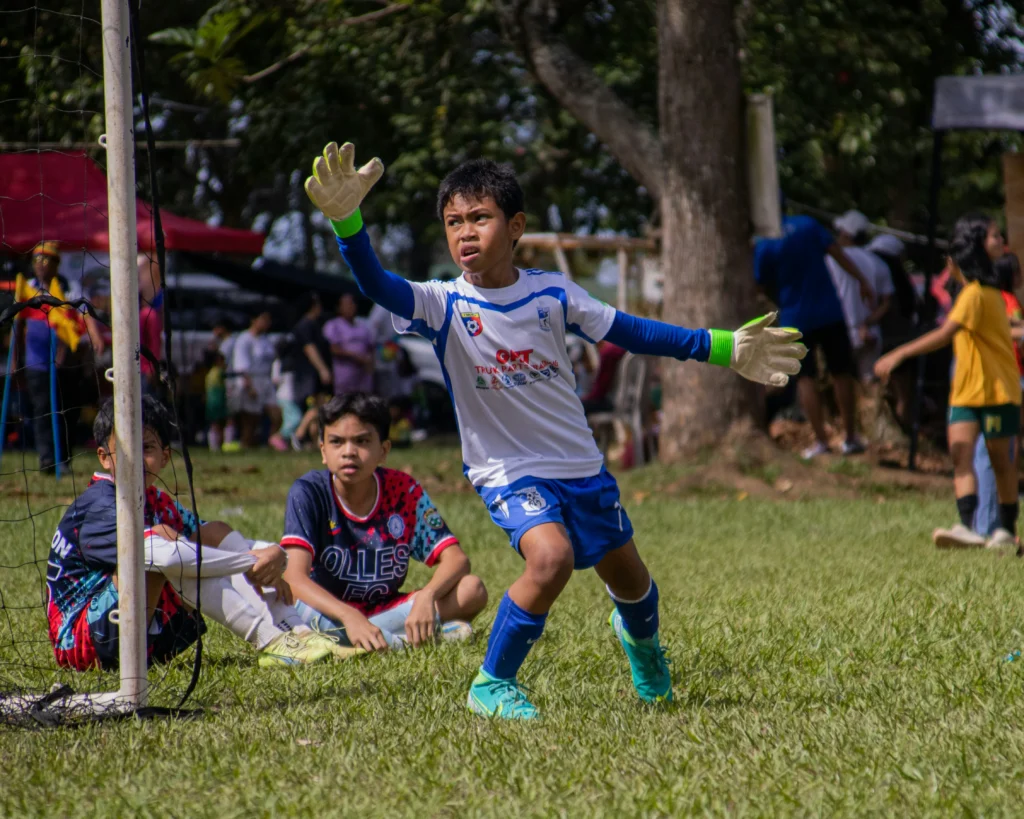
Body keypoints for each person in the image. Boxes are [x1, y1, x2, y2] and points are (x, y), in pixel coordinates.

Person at [304, 141, 804, 718]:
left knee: (635, 588)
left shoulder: (553, 293)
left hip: (581, 468)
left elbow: (634, 331)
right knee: (550, 559)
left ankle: (641, 647)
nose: (465, 233)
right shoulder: (441, 304)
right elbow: (376, 284)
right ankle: (492, 684)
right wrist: (348, 223)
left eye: (480, 218)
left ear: (515, 226)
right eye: (453, 222)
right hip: (507, 472)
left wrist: (721, 346)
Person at [45, 396, 355, 671]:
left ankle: (297, 633)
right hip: (86, 645)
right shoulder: (99, 504)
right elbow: (166, 555)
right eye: (125, 449)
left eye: (147, 448)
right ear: (104, 456)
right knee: (167, 551)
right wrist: (249, 563)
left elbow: (207, 541)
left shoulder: (156, 500)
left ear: (165, 457)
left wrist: (273, 554)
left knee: (211, 532)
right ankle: (271, 640)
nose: (137, 459)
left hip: (140, 632)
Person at [281, 393, 487, 650]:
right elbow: (293, 578)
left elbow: (456, 559)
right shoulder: (309, 492)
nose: (348, 452)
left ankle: (355, 644)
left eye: (362, 441)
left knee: (472, 589)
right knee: (278, 601)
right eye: (336, 442)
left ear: (383, 450)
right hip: (326, 613)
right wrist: (348, 616)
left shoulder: (403, 490)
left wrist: (427, 595)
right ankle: (404, 642)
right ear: (323, 451)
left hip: (387, 609)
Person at [876, 213, 1021, 550]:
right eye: (995, 236)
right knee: (961, 455)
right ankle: (968, 526)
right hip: (965, 391)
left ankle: (1005, 530)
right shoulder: (973, 293)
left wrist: (898, 354)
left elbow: (944, 334)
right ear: (977, 246)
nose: (1001, 242)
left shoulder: (982, 294)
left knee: (1001, 463)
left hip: (997, 389)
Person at [754, 215, 874, 459]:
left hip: (794, 316)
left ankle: (821, 442)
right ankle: (850, 438)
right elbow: (838, 254)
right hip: (829, 312)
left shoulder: (765, 241)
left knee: (804, 378)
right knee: (841, 372)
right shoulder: (808, 225)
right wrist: (861, 280)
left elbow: (759, 283)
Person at [972, 252, 1024, 537]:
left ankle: (998, 521)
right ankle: (991, 523)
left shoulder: (999, 299)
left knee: (1004, 449)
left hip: (1008, 380)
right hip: (1003, 381)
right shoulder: (999, 299)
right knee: (997, 451)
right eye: (1018, 271)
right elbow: (1006, 330)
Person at [18, 241, 79, 472]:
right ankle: (46, 458)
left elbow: (75, 321)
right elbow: (19, 324)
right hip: (36, 361)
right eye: (37, 260)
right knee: (41, 409)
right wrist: (17, 360)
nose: (41, 265)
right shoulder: (26, 289)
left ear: (56, 263)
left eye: (47, 260)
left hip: (64, 362)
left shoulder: (68, 287)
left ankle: (63, 459)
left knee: (65, 410)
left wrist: (64, 352)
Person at [829, 211, 894, 383]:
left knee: (840, 384)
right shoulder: (877, 262)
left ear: (846, 233)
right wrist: (868, 322)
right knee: (870, 386)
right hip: (870, 332)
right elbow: (887, 302)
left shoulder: (831, 260)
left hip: (843, 331)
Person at [227, 311, 280, 448]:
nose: (267, 323)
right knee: (251, 420)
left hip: (266, 380)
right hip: (251, 380)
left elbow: (274, 360)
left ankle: (272, 442)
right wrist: (249, 386)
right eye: (263, 319)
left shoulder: (265, 340)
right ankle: (246, 445)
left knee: (277, 415)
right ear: (254, 320)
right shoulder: (244, 339)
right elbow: (241, 365)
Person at [323, 293, 375, 396]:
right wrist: (355, 356)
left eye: (352, 303)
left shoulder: (363, 326)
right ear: (339, 308)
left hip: (363, 378)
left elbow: (371, 348)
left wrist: (370, 363)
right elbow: (333, 349)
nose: (351, 307)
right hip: (344, 377)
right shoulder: (334, 325)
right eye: (347, 304)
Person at [137, 252, 164, 394]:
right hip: (139, 369)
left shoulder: (148, 314)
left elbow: (155, 342)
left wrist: (152, 368)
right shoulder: (144, 314)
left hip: (143, 370)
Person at [270, 338, 301, 451]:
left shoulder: (287, 363)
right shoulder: (278, 363)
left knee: (290, 420)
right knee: (295, 419)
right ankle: (278, 437)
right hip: (284, 396)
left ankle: (292, 444)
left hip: (289, 396)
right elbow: (275, 380)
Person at [580, 340, 627, 414]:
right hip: (627, 400)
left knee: (579, 406)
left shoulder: (609, 353)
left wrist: (587, 398)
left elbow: (600, 390)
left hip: (611, 401)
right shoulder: (627, 348)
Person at [204, 349, 227, 452]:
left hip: (211, 402)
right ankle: (223, 444)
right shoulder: (218, 371)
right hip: (218, 401)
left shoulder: (209, 373)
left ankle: (214, 446)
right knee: (222, 423)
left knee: (214, 424)